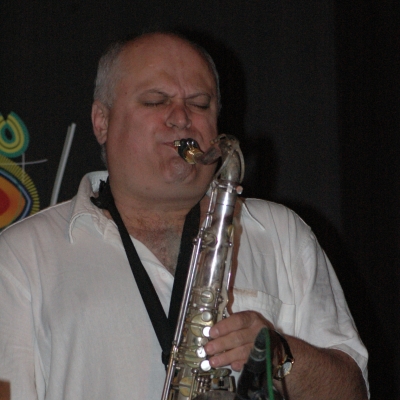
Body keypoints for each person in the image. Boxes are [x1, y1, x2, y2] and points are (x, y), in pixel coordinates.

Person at [0, 31, 369, 399]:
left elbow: (352, 391)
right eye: (156, 101)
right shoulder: (22, 256)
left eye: (200, 103)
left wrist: (280, 355)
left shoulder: (282, 233)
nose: (181, 117)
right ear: (102, 121)